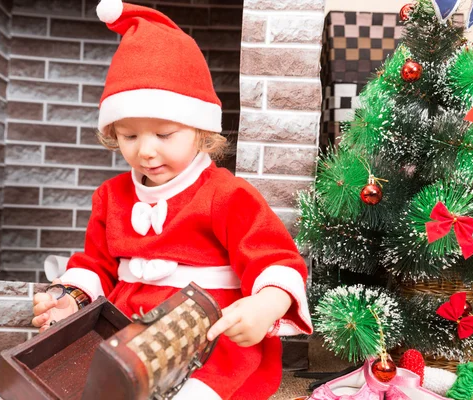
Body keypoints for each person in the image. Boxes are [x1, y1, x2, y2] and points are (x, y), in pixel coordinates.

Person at [31, 1, 312, 398]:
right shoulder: (111, 197)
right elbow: (96, 264)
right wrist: (73, 297)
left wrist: (267, 303)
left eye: (164, 134)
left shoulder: (226, 194)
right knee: (82, 378)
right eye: (129, 136)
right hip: (127, 328)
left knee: (199, 385)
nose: (146, 151)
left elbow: (277, 261)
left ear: (200, 131)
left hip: (207, 330)